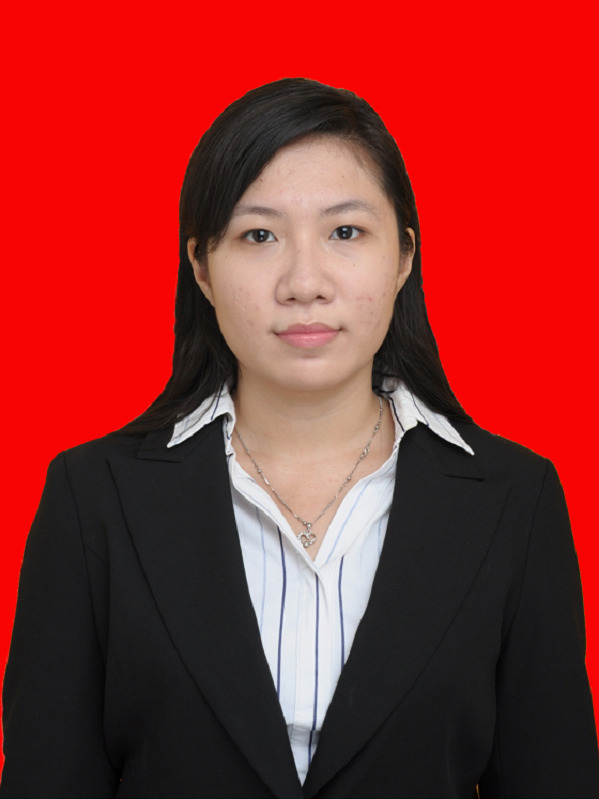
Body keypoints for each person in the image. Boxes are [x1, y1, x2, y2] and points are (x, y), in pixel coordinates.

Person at [1, 78, 598, 799]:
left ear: (403, 257)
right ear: (201, 267)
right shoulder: (93, 496)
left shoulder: (513, 499)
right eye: (259, 235)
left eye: (345, 232)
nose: (304, 282)